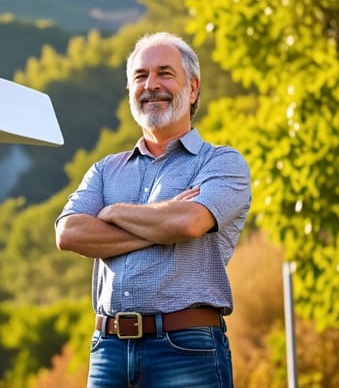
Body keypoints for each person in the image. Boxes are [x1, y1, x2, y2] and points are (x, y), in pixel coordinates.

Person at [55, 32, 251, 388]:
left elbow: (190, 222)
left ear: (192, 89)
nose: (151, 85)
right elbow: (69, 233)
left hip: (187, 348)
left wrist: (111, 211)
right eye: (140, 76)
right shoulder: (104, 169)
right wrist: (160, 225)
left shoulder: (222, 162)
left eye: (164, 73)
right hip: (108, 348)